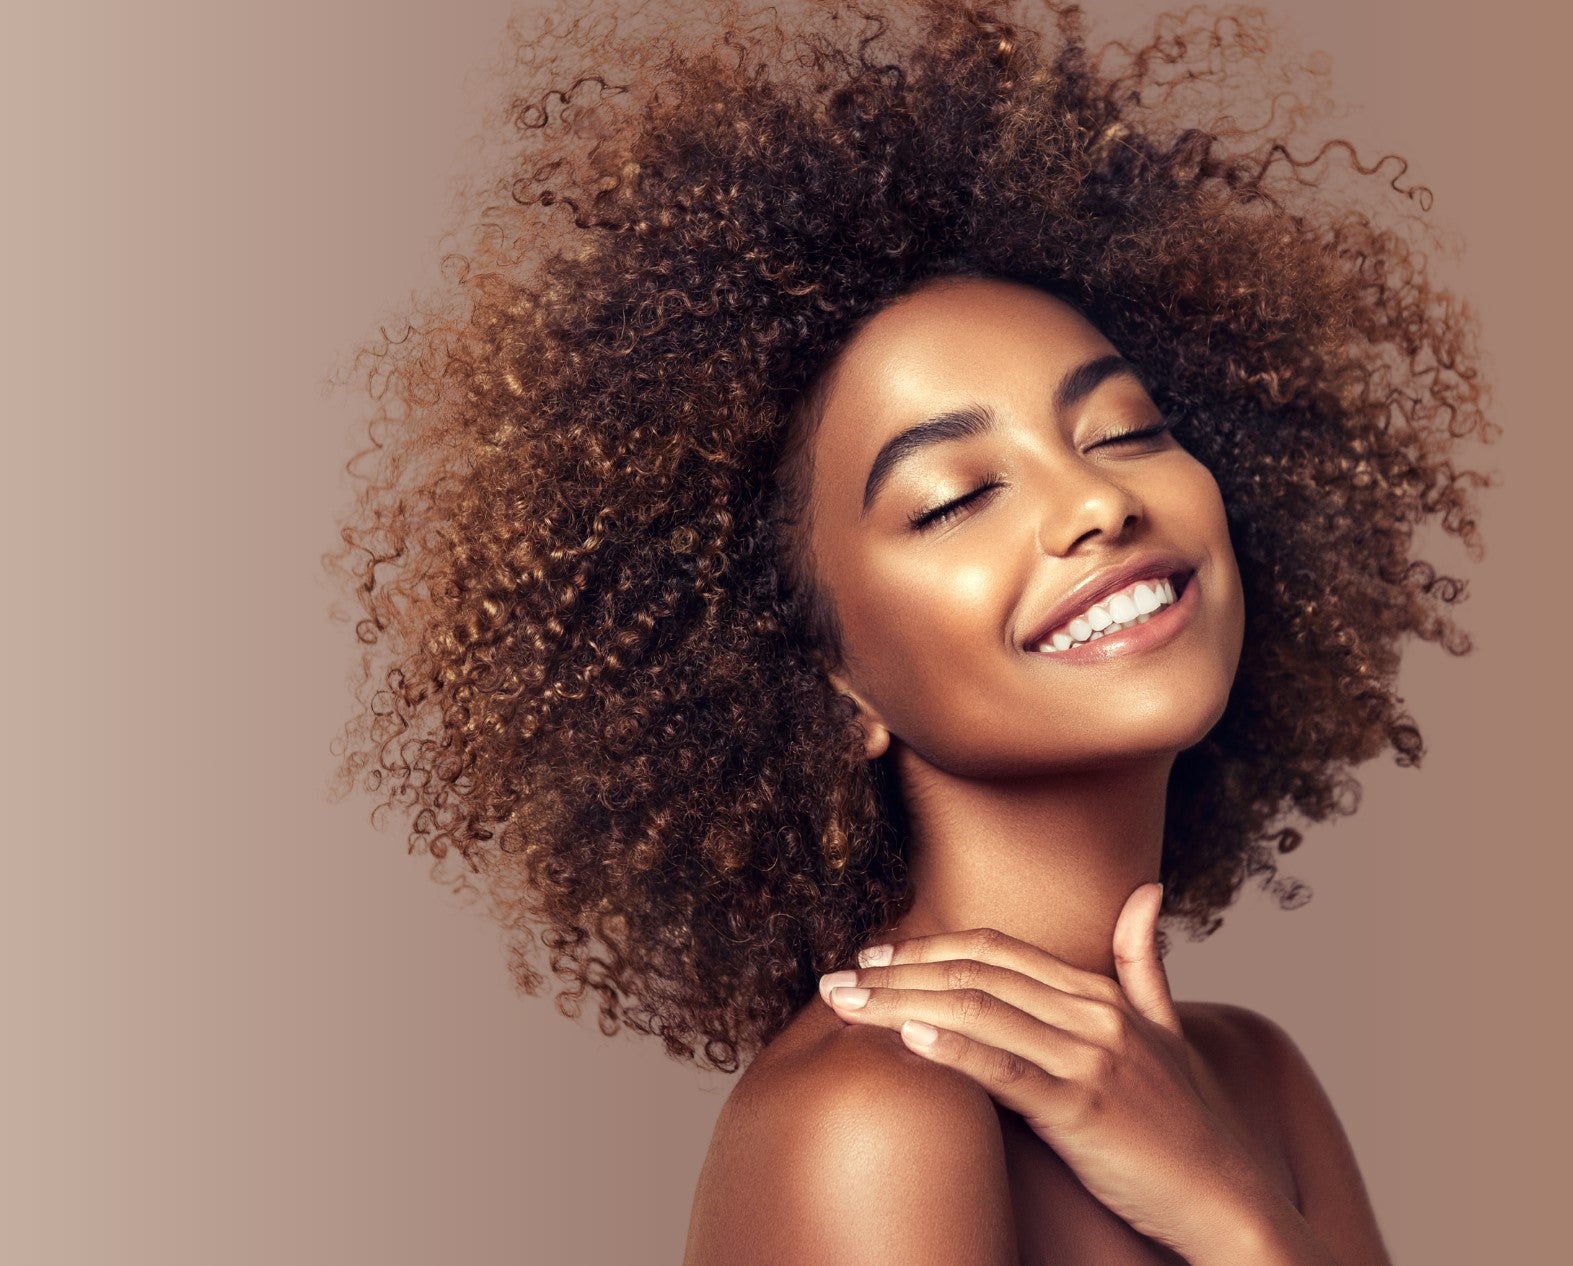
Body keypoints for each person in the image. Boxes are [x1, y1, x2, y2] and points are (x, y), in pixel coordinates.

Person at [325, 0, 1496, 1261]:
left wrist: (1232, 1213)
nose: (1097, 503)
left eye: (1126, 432)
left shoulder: (1249, 1080)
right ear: (827, 680)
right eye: (958, 498)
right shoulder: (873, 1116)